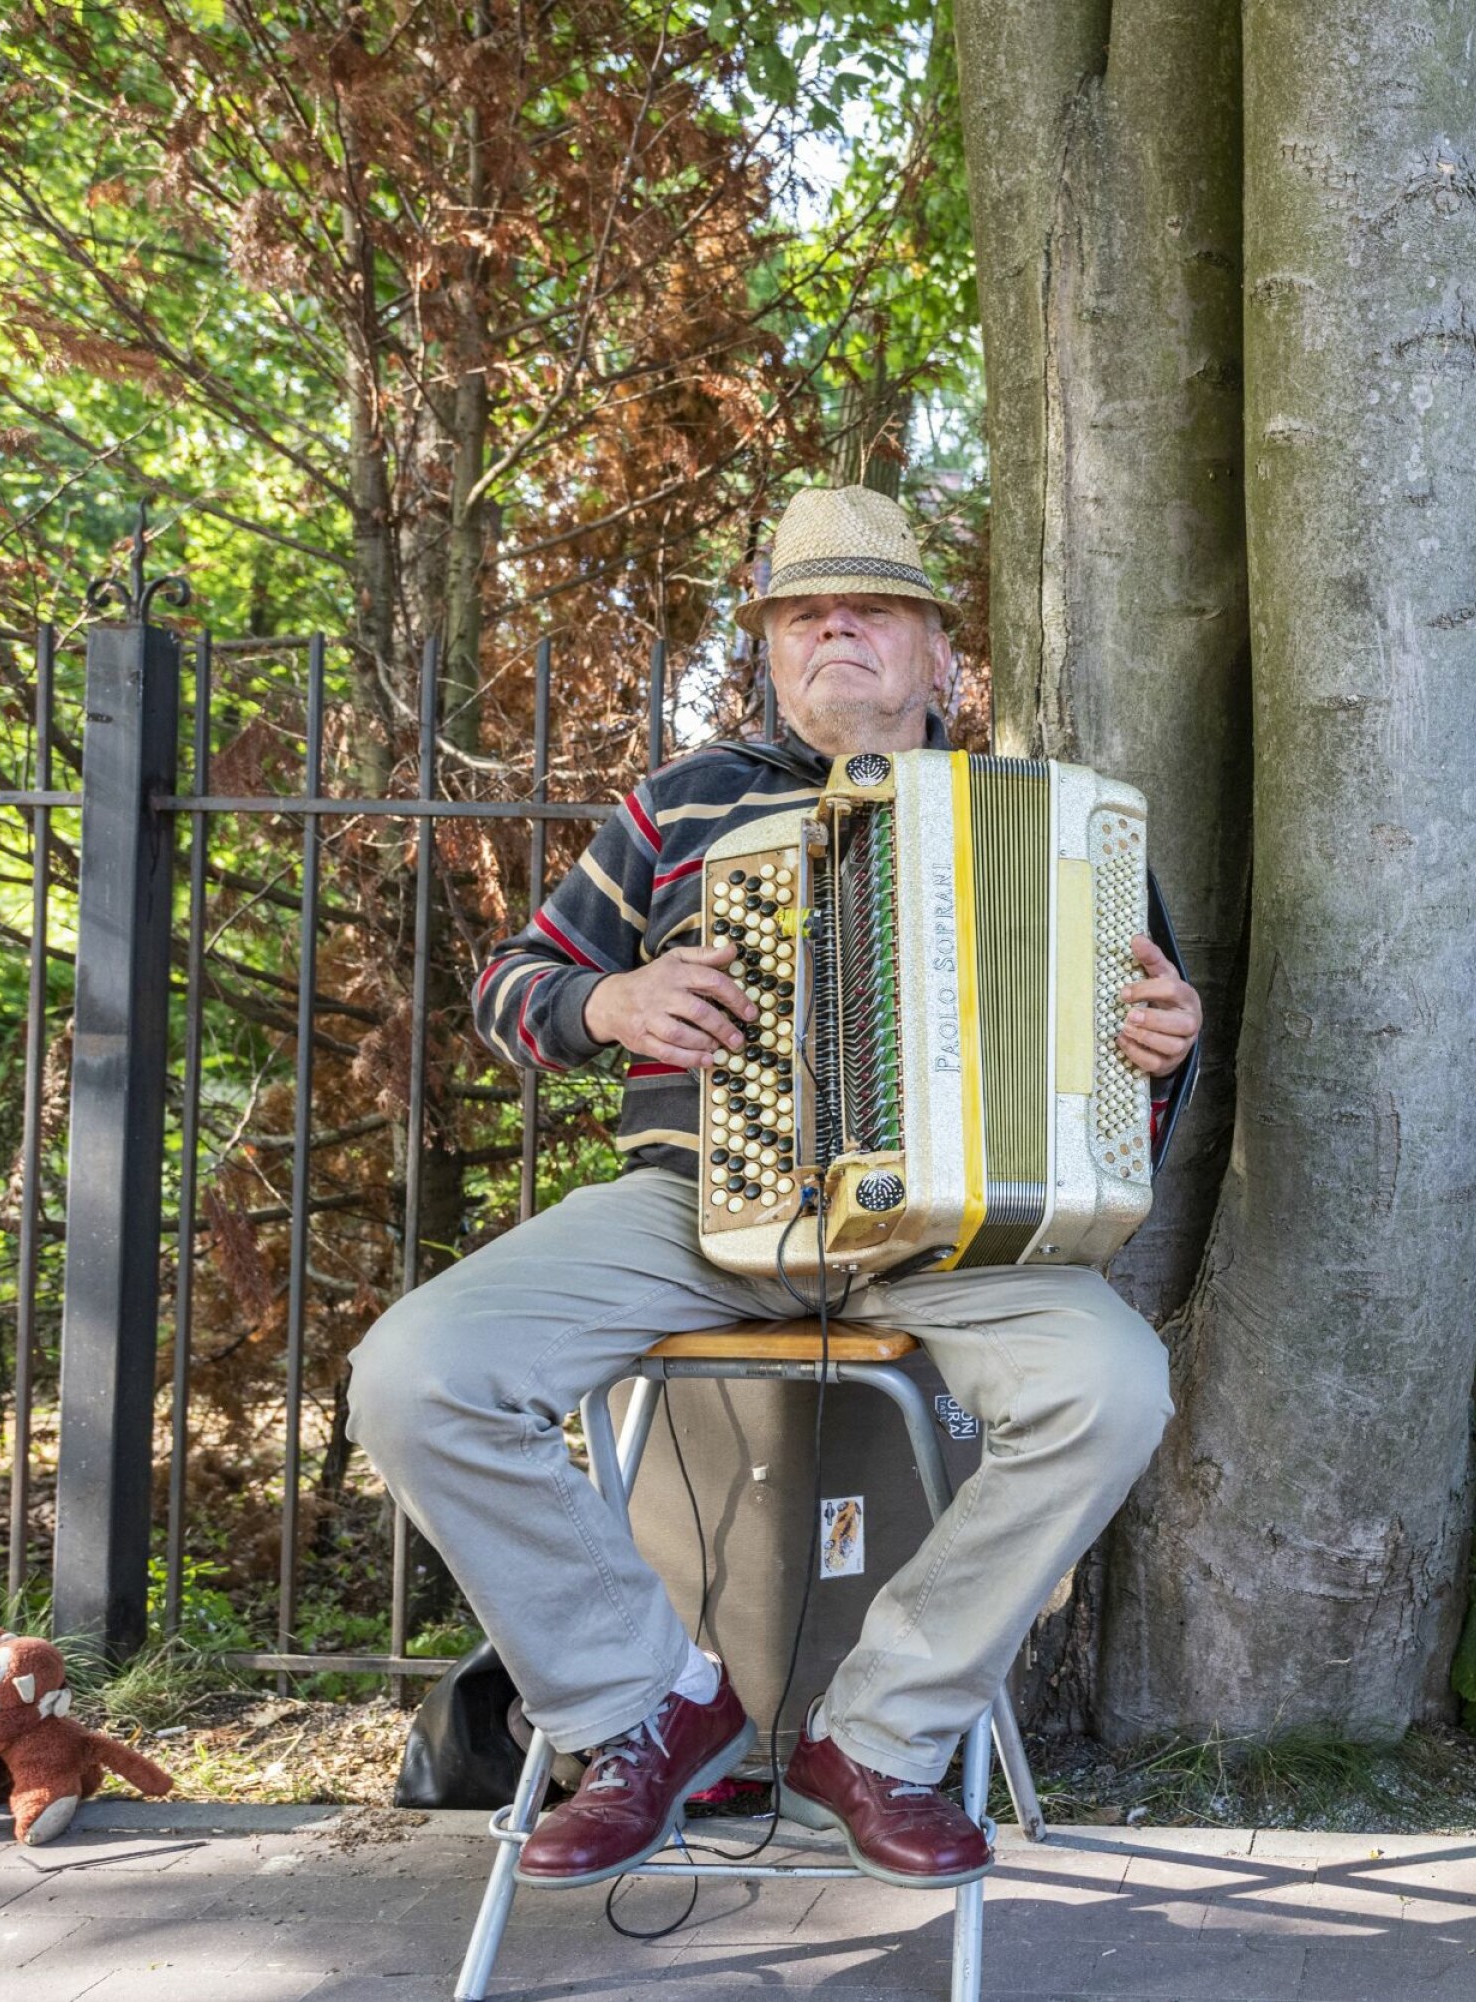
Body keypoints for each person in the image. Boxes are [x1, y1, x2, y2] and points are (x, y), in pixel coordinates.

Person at [347, 485, 1198, 1891]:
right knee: (415, 1372)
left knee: (1113, 1386)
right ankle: (643, 1710)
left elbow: (1132, 1069)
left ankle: (876, 1738)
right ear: (774, 652)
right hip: (696, 1211)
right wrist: (612, 1000)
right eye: (806, 613)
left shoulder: (1057, 825)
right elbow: (511, 985)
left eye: (874, 608)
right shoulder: (682, 802)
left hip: (953, 1239)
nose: (838, 629)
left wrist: (1169, 1043)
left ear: (940, 654)